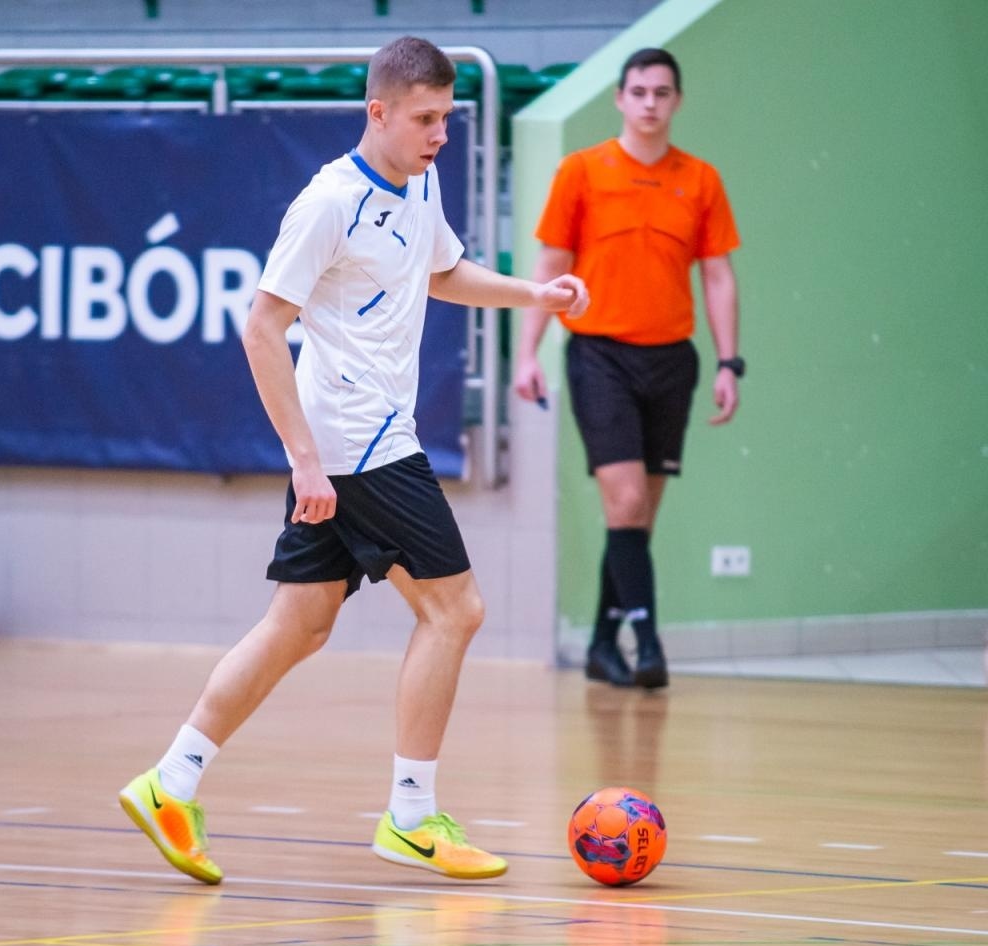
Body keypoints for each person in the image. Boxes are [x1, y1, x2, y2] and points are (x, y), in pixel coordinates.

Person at [118, 37, 588, 885]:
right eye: (425, 118)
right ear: (378, 111)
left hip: (356, 442)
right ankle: (410, 816)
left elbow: (442, 271)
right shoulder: (327, 202)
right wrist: (305, 462)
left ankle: (170, 781)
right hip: (357, 441)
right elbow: (261, 329)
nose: (440, 133)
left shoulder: (421, 178)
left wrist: (533, 293)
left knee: (299, 624)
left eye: (446, 117)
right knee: (456, 611)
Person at [513, 47, 741, 691]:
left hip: (673, 360)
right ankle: (648, 644)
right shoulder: (581, 171)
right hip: (600, 356)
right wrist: (526, 352)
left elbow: (718, 276)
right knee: (628, 500)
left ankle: (598, 647)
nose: (649, 103)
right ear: (620, 98)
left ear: (676, 101)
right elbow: (549, 267)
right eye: (638, 91)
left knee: (635, 519)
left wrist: (730, 362)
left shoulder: (699, 179)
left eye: (661, 92)